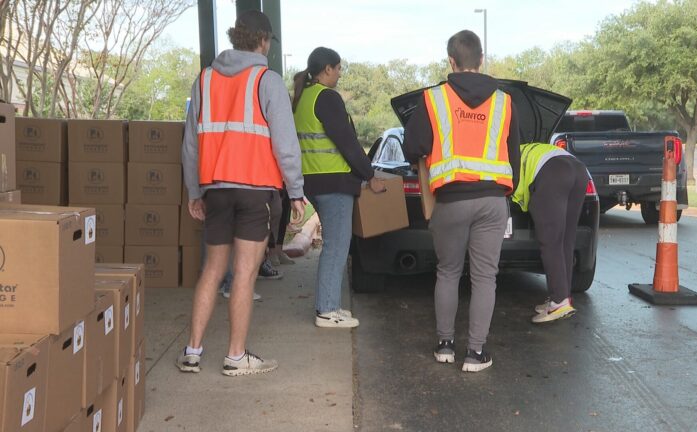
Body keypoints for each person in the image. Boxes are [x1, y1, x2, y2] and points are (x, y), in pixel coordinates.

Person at [179, 10, 305, 377]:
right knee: (245, 273)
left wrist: (194, 191)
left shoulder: (203, 81)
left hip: (215, 190)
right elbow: (286, 144)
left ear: (236, 38)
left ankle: (192, 350)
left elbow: (190, 145)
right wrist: (295, 191)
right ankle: (235, 356)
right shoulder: (267, 80)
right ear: (263, 41)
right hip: (254, 192)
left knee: (212, 270)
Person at [403, 30, 521, 372]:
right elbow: (513, 155)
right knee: (485, 277)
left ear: (451, 61)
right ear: (481, 60)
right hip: (492, 199)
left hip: (450, 200)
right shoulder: (504, 102)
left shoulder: (433, 99)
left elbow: (413, 147)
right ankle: (475, 353)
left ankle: (444, 346)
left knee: (448, 271)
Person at [292, 47, 385, 328]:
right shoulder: (327, 97)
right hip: (333, 181)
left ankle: (329, 304)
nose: (340, 73)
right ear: (327, 69)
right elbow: (347, 143)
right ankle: (327, 309)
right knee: (336, 246)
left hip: (312, 179)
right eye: (339, 68)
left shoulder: (303, 97)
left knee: (333, 245)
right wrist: (370, 175)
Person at [512, 143, 589, 323]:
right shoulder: (529, 148)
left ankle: (558, 303)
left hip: (553, 173)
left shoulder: (506, 157)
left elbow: (511, 188)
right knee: (566, 240)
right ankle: (563, 296)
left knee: (551, 241)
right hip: (578, 169)